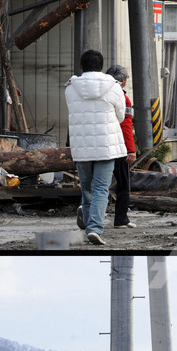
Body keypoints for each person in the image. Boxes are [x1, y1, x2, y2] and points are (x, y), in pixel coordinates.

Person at [65, 49, 126, 246]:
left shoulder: (70, 88)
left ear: (82, 66)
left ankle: (90, 224)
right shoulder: (114, 88)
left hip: (82, 147)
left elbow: (75, 113)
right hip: (106, 146)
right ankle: (94, 228)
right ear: (101, 66)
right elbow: (121, 116)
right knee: (101, 188)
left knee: (87, 188)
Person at [106, 64, 137, 228]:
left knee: (98, 184)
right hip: (118, 147)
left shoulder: (100, 95)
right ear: (123, 82)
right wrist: (130, 150)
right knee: (123, 184)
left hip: (99, 146)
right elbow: (126, 125)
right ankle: (121, 219)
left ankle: (90, 218)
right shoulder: (123, 99)